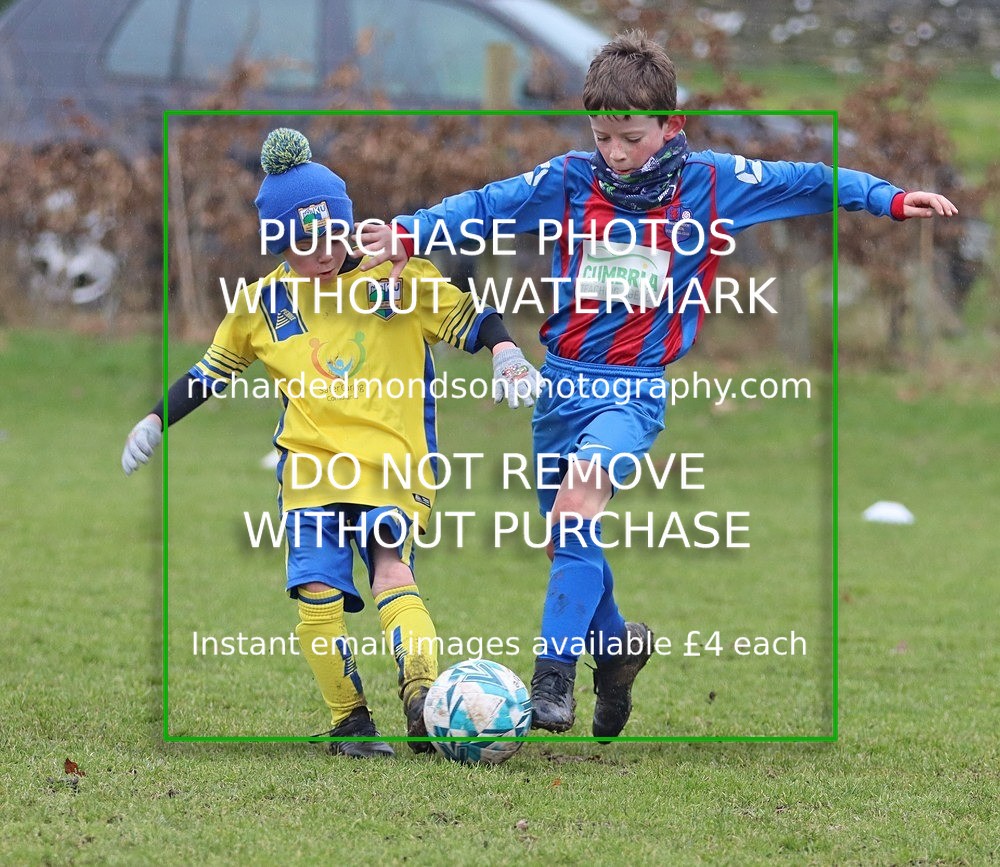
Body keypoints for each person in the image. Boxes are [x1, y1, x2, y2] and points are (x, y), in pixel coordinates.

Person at [356, 31, 958, 738]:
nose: (614, 152)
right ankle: (614, 653)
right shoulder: (570, 180)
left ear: (670, 125)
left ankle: (553, 682)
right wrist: (408, 232)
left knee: (576, 505)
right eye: (603, 135)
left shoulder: (711, 182)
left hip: (632, 389)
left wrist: (889, 199)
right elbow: (485, 205)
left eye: (630, 138)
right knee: (565, 540)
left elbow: (808, 179)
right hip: (560, 388)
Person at [122, 128, 542, 757]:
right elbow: (211, 373)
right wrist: (156, 419)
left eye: (328, 235)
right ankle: (350, 722)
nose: (319, 252)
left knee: (389, 569)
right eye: (300, 242)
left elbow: (474, 320)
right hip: (311, 475)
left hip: (391, 464)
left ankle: (423, 699)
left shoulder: (396, 277)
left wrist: (506, 352)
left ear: (347, 225)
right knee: (316, 592)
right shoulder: (263, 304)